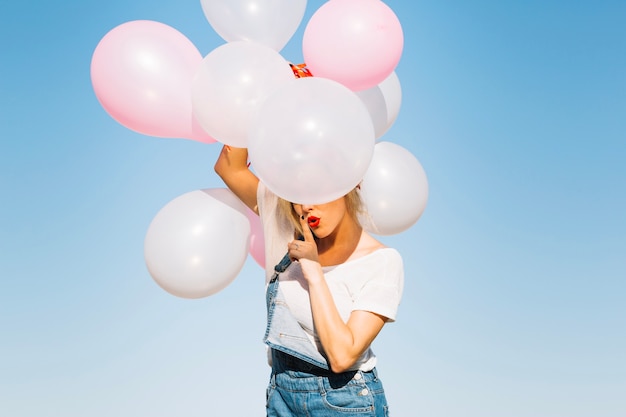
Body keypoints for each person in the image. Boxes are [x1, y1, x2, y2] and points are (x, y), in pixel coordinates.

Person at [214, 145, 404, 417]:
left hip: (346, 403)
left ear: (350, 183)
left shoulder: (381, 262)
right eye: (296, 195)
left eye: (316, 191)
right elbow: (228, 166)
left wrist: (313, 271)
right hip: (282, 399)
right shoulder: (284, 222)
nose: (305, 206)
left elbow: (342, 356)